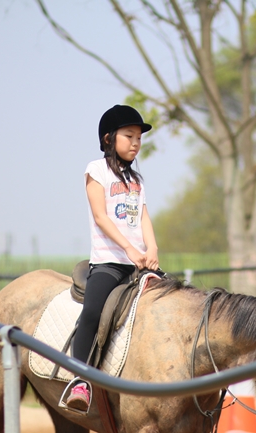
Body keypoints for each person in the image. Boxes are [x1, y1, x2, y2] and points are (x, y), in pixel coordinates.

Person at [66, 104, 160, 411]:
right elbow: (101, 217)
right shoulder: (96, 170)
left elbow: (143, 217)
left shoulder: (137, 180)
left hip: (138, 264)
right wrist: (130, 250)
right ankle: (78, 380)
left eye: (139, 137)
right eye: (129, 135)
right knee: (92, 312)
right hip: (109, 262)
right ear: (109, 139)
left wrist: (152, 249)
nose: (136, 142)